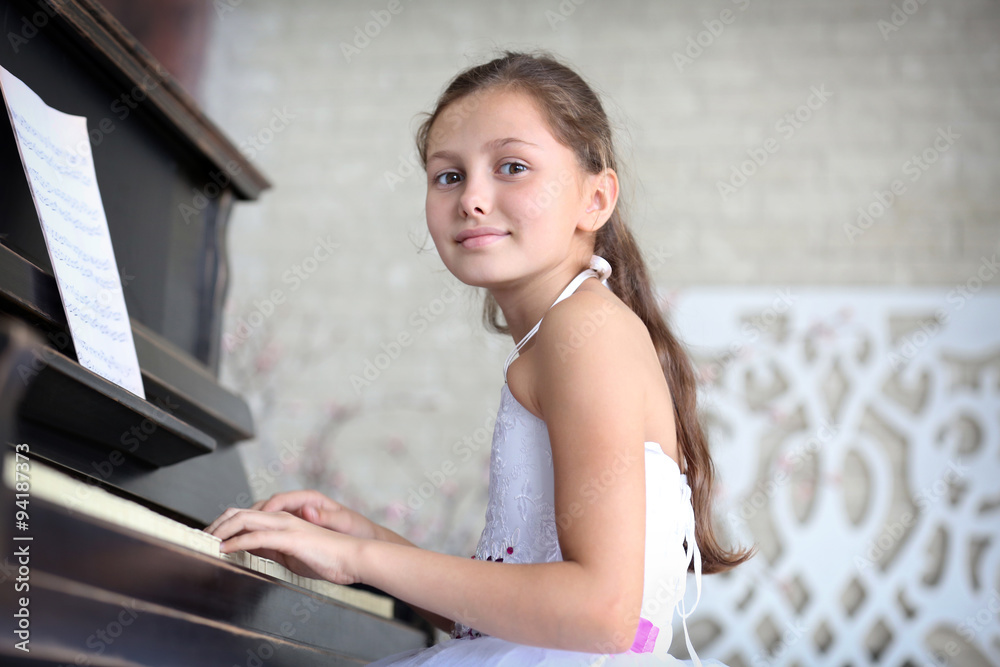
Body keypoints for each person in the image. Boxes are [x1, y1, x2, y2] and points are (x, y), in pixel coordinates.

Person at [206, 50, 753, 665]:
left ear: (595, 199)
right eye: (448, 176)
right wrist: (367, 539)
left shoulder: (585, 329)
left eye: (512, 167)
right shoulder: (568, 329)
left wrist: (358, 558)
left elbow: (601, 614)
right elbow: (515, 628)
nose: (471, 198)